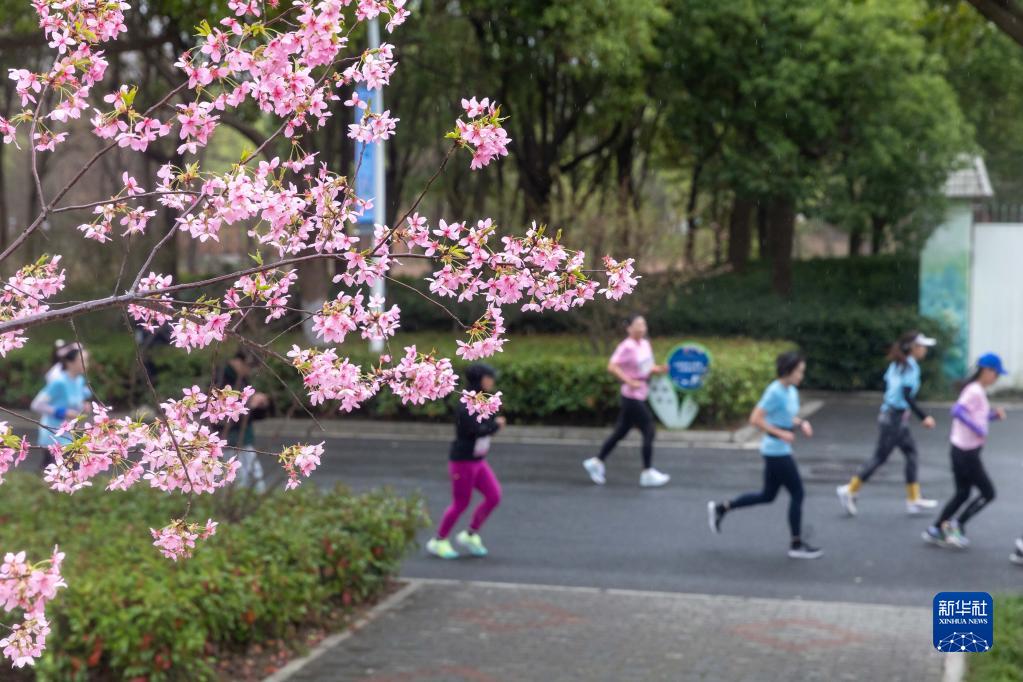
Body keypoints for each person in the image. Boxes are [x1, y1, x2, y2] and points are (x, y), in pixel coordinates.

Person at [707, 350, 823, 559]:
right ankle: (796, 544)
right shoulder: (774, 391)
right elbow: (755, 419)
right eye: (799, 372)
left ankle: (722, 508)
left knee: (767, 496)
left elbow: (787, 416)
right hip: (775, 450)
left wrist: (801, 423)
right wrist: (781, 434)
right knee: (798, 493)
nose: (801, 376)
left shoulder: (791, 391)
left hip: (780, 449)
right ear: (788, 371)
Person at [837, 331, 939, 517]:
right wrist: (924, 417)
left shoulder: (897, 365)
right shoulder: (910, 367)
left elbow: (891, 389)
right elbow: (907, 395)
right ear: (913, 348)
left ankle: (913, 499)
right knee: (880, 457)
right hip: (894, 419)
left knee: (910, 453)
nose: (925, 350)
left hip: (892, 416)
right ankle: (850, 490)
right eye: (922, 346)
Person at [923, 353, 1007, 549]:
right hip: (967, 453)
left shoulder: (976, 390)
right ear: (987, 371)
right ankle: (956, 525)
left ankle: (935, 529)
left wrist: (993, 416)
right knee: (988, 493)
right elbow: (957, 411)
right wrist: (978, 429)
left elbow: (977, 415)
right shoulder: (975, 391)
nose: (997, 378)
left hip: (960, 450)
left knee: (962, 493)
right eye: (996, 374)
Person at [427, 363, 506, 560]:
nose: (492, 381)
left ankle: (470, 534)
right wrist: (495, 426)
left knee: (494, 496)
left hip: (478, 461)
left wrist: (492, 424)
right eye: (489, 377)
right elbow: (476, 430)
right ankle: (438, 540)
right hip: (462, 462)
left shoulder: (482, 400)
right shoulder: (465, 404)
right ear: (480, 379)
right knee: (461, 503)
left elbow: (485, 425)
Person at [582, 315, 670, 488]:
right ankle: (647, 472)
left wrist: (659, 369)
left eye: (643, 323)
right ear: (628, 328)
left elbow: (646, 368)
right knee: (649, 430)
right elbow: (612, 366)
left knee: (620, 432)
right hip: (631, 396)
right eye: (637, 324)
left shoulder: (645, 344)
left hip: (642, 392)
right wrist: (628, 381)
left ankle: (596, 462)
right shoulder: (626, 346)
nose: (641, 327)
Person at [215, 350, 273, 492]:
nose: (249, 371)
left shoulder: (241, 378)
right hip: (228, 441)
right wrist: (249, 405)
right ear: (238, 362)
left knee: (253, 476)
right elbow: (219, 418)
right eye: (249, 367)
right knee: (236, 479)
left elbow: (251, 414)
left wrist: (259, 406)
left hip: (244, 439)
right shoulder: (220, 378)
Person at [31, 342, 91, 469]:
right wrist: (62, 412)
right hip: (52, 435)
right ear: (70, 362)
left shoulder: (79, 381)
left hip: (69, 436)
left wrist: (84, 406)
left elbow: (75, 402)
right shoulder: (58, 382)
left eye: (86, 360)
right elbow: (36, 404)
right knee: (55, 473)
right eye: (82, 361)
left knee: (70, 474)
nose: (86, 365)